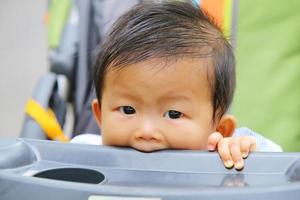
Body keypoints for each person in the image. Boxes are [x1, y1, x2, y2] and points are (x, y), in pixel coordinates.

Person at [72, 0, 282, 170]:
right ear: (100, 116)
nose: (146, 131)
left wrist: (245, 155)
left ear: (220, 129)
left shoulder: (220, 160)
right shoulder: (86, 153)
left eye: (173, 114)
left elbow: (282, 165)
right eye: (128, 110)